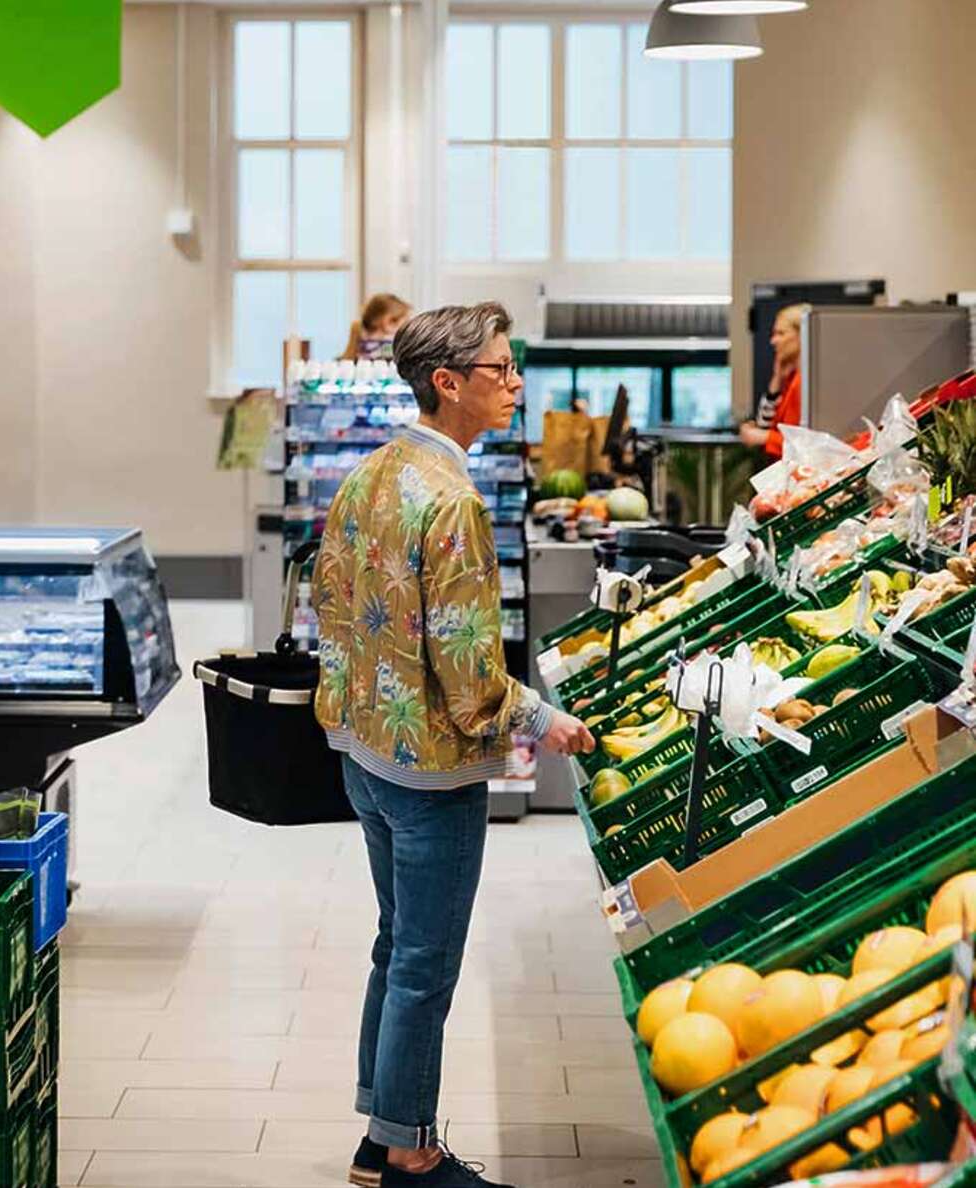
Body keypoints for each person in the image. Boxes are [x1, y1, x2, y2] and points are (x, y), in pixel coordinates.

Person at [311, 302, 595, 1188]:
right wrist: (545, 720)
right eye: (500, 369)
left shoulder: (371, 474)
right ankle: (409, 1152)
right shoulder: (455, 501)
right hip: (432, 772)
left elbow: (327, 600)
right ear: (449, 382)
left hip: (364, 750)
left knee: (396, 945)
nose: (515, 383)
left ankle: (378, 1130)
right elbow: (471, 674)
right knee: (426, 963)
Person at [740, 303, 809, 458]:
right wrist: (776, 380)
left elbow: (807, 444)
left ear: (802, 334)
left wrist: (763, 437)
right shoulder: (791, 379)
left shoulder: (806, 383)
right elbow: (764, 424)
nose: (773, 341)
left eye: (781, 333)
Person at [342, 293, 414, 362]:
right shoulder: (387, 346)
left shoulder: (360, 345)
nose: (407, 327)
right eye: (405, 321)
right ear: (388, 322)